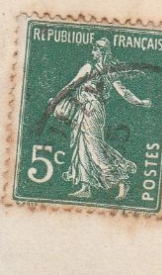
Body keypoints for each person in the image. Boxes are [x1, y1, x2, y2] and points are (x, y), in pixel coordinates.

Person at [46, 37, 152, 201]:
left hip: (92, 110)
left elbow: (71, 86)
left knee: (94, 147)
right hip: (85, 110)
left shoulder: (91, 68)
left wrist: (54, 102)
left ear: (101, 52)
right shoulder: (109, 71)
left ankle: (122, 180)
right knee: (81, 147)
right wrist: (140, 102)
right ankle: (85, 187)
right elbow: (123, 92)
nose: (92, 52)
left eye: (95, 50)